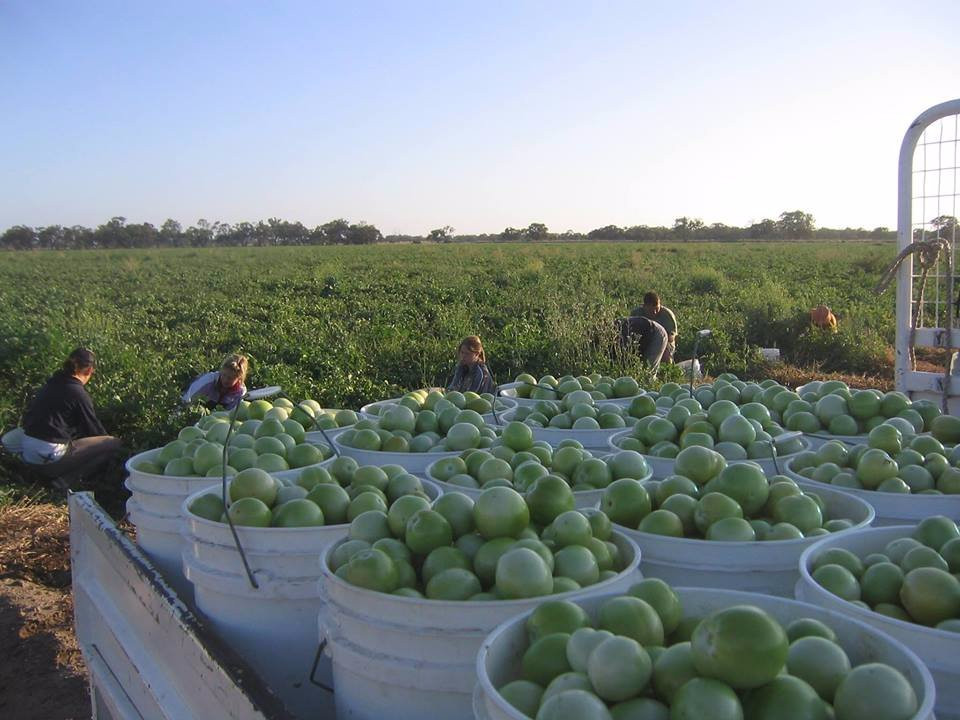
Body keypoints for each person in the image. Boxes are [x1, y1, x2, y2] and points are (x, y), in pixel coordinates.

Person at [20, 348, 123, 486]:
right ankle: (64, 481)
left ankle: (38, 474)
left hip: (28, 453)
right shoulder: (77, 393)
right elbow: (93, 430)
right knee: (112, 444)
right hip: (49, 458)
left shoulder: (52, 382)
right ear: (89, 371)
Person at [182, 353, 249, 410]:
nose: (225, 380)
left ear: (239, 379)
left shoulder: (240, 392)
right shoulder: (208, 381)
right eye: (224, 375)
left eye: (230, 378)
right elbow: (187, 400)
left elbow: (230, 413)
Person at [634, 291, 678, 364]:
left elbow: (672, 336)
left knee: (665, 353)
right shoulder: (636, 313)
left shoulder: (667, 315)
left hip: (665, 341)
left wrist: (658, 343)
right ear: (644, 306)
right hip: (642, 340)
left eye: (657, 309)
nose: (654, 312)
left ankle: (667, 370)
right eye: (651, 310)